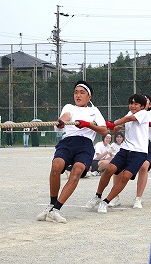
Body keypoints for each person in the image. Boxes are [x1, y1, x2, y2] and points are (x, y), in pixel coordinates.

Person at [37, 80, 108, 223]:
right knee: (56, 166)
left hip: (85, 145)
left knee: (77, 171)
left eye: (82, 92)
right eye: (76, 92)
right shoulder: (69, 107)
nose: (78, 95)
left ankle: (56, 209)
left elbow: (104, 130)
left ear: (89, 97)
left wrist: (87, 124)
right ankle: (51, 204)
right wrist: (61, 121)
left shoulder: (94, 111)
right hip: (68, 142)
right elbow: (66, 116)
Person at [85, 93, 150, 213]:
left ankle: (106, 201)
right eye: (131, 103)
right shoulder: (128, 114)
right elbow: (115, 130)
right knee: (109, 169)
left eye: (136, 104)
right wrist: (110, 126)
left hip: (139, 153)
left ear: (141, 106)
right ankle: (98, 196)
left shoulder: (144, 114)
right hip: (125, 150)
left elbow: (128, 119)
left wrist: (114, 123)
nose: (133, 106)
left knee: (125, 177)